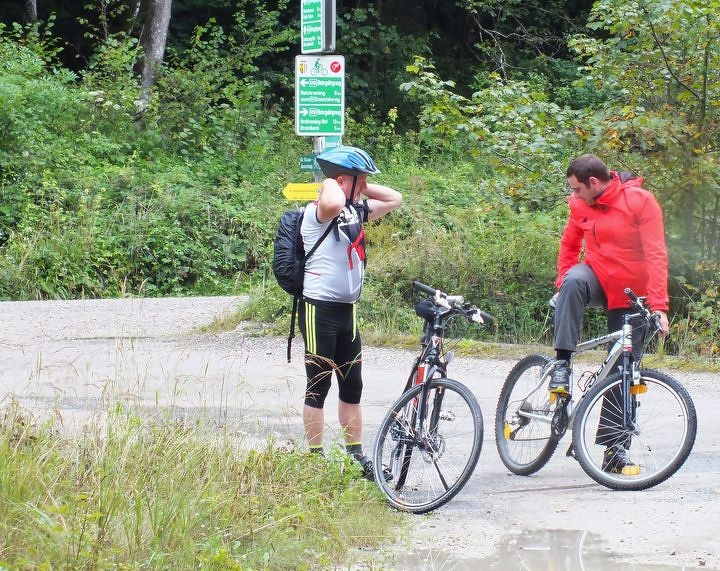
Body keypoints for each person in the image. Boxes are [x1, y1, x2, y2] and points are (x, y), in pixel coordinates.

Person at [549, 154, 670, 475]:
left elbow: (657, 254)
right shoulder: (580, 204)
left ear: (593, 182)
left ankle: (615, 451)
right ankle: (562, 363)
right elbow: (569, 244)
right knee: (572, 281)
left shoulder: (640, 202)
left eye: (576, 189)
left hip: (632, 291)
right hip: (598, 278)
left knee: (624, 369)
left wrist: (658, 305)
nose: (573, 195)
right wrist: (561, 285)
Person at [298, 145, 402, 480]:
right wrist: (334, 180)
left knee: (352, 385)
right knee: (318, 385)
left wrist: (361, 185)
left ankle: (355, 455)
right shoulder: (317, 212)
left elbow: (395, 198)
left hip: (347, 311)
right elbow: (331, 202)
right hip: (319, 309)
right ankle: (315, 459)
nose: (366, 184)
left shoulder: (354, 211)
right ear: (342, 181)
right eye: (360, 179)